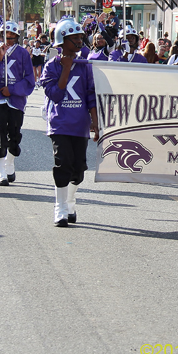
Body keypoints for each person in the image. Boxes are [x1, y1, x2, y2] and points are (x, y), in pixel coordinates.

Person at [42, 17, 99, 227]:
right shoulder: (51, 67)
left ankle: (70, 200)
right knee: (62, 164)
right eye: (73, 37)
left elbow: (91, 94)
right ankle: (60, 207)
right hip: (59, 123)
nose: (78, 40)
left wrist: (95, 122)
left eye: (80, 36)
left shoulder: (85, 66)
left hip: (80, 125)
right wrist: (66, 68)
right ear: (62, 40)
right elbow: (55, 95)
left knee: (79, 169)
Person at [0, 20, 36, 186]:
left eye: (12, 35)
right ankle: (0, 170)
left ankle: (10, 162)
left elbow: (29, 79)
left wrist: (12, 89)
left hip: (16, 98)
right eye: (6, 34)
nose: (9, 38)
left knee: (14, 134)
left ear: (17, 36)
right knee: (0, 130)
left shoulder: (23, 54)